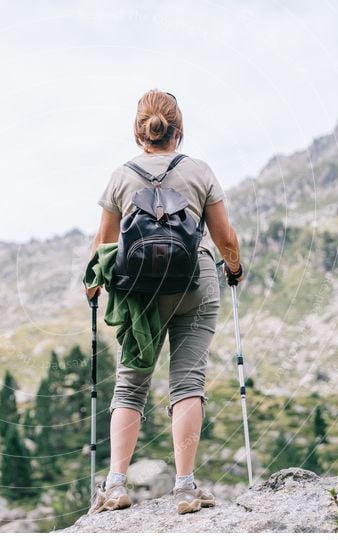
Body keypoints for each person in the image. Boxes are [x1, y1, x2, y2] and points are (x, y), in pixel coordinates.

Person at [85, 89, 244, 515]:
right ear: (179, 129)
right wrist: (235, 267)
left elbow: (103, 242)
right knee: (188, 383)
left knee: (130, 386)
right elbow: (225, 237)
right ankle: (186, 488)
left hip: (140, 296)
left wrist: (93, 283)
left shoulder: (120, 176)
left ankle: (116, 485)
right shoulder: (199, 171)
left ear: (140, 132)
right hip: (194, 286)